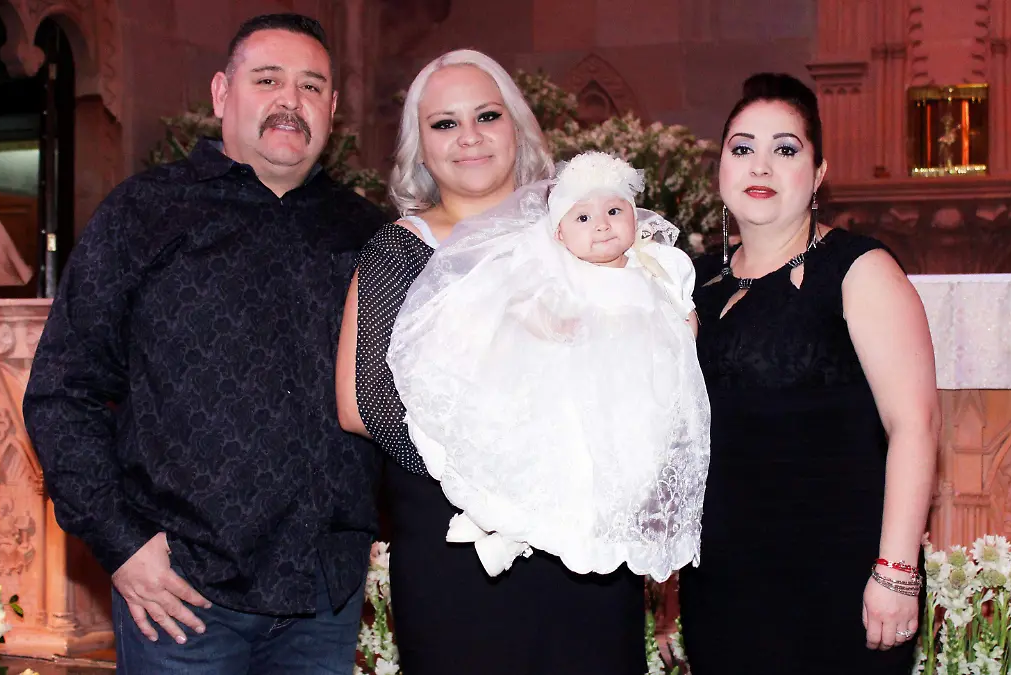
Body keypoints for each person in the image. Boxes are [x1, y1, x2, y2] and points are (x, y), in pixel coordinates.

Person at [23, 14, 388, 675]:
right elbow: (63, 390)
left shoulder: (366, 232)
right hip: (183, 594)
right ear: (223, 93)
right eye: (267, 80)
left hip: (323, 597)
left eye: (311, 86)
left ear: (332, 108)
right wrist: (121, 542)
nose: (290, 100)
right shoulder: (144, 212)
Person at [336, 51, 646, 675]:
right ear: (420, 147)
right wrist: (499, 471)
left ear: (518, 128)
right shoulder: (399, 251)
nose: (469, 137)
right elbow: (363, 404)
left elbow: (647, 360)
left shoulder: (582, 228)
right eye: (444, 123)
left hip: (584, 549)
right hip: (459, 549)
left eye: (486, 116)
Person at [678, 72, 939, 674]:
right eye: (742, 148)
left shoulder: (859, 269)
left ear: (818, 174)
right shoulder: (692, 280)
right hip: (722, 579)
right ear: (721, 169)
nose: (760, 166)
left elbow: (916, 424)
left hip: (834, 578)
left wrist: (897, 571)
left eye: (785, 149)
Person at [385, 150, 709, 582]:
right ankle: (501, 525)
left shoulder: (657, 267)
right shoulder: (561, 271)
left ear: (635, 216)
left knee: (627, 470)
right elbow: (522, 308)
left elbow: (682, 314)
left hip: (634, 394)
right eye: (583, 218)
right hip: (577, 389)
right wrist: (554, 325)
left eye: (614, 211)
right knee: (558, 452)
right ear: (559, 233)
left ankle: (551, 531)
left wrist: (684, 330)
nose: (602, 225)